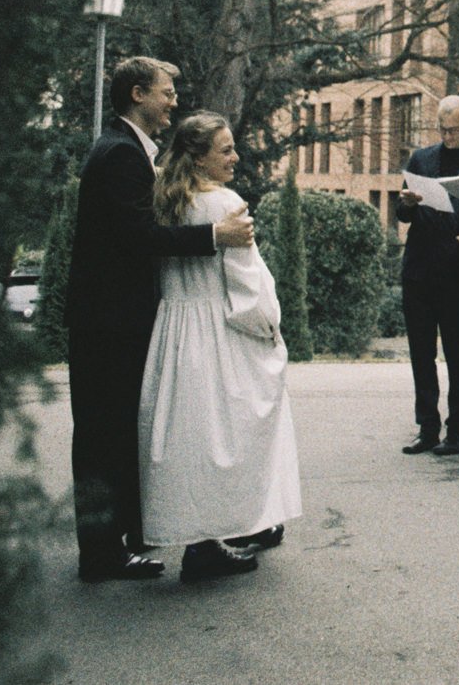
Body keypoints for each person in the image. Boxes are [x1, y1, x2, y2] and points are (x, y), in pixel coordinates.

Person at [66, 56, 255, 583]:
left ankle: (118, 540)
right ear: (137, 95)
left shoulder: (125, 150)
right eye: (166, 92)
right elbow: (139, 238)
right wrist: (215, 236)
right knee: (103, 438)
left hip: (110, 318)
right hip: (109, 322)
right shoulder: (120, 154)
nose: (173, 101)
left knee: (113, 434)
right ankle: (100, 554)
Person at [139, 112, 301, 581]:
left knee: (189, 436)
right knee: (230, 434)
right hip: (218, 330)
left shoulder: (166, 199)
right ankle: (230, 529)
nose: (235, 157)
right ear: (199, 158)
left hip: (173, 328)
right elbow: (247, 285)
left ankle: (202, 537)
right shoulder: (225, 204)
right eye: (225, 150)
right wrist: (270, 329)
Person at [395, 95, 459, 455]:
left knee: (458, 355)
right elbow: (402, 214)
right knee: (421, 355)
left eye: (452, 129)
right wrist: (406, 204)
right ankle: (427, 428)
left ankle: (458, 431)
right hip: (418, 270)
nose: (447, 135)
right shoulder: (421, 159)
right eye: (441, 129)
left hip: (456, 273)